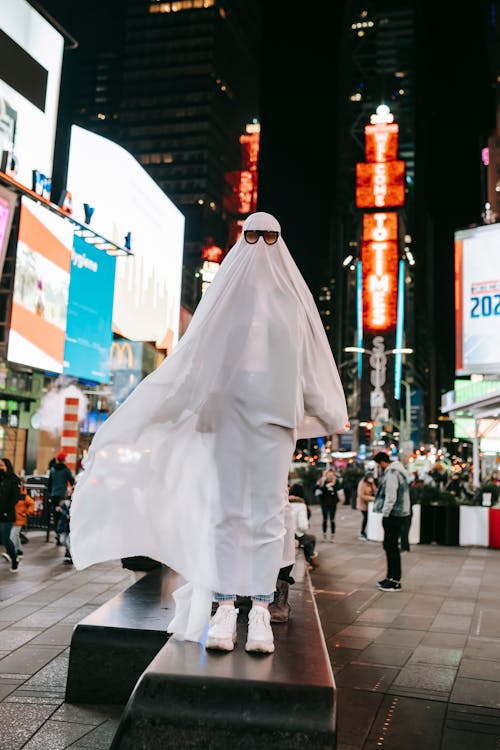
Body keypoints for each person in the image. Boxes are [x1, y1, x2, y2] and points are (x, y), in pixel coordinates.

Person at [70, 211, 349, 655]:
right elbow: (193, 360)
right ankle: (223, 605)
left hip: (275, 418)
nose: (261, 244)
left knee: (266, 513)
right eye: (253, 235)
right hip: (225, 417)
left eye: (270, 236)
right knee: (224, 512)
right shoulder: (222, 300)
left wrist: (330, 411)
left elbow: (313, 361)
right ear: (242, 238)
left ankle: (259, 608)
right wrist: (160, 412)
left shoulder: (294, 301)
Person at [372, 452, 410, 591]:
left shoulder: (392, 473)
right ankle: (390, 577)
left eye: (378, 464)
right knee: (390, 546)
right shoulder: (399, 471)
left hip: (394, 514)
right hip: (400, 514)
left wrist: (386, 513)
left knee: (391, 547)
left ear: (382, 462)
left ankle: (394, 580)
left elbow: (391, 496)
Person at [288, 483, 319, 570]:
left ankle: (310, 559)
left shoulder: (286, 503)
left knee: (307, 540)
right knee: (311, 539)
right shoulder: (301, 505)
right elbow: (303, 526)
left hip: (285, 533)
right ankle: (309, 561)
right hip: (295, 535)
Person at [47, 452, 75, 544]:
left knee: (55, 516)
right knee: (62, 515)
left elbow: (49, 483)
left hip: (53, 495)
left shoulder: (52, 469)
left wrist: (50, 494)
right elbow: (71, 481)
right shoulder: (66, 469)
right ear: (63, 460)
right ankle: (61, 535)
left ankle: (57, 534)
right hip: (62, 495)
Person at [0, 458, 22, 573]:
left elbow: (15, 498)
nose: (0, 468)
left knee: (5, 539)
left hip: (7, 515)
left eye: (2, 465)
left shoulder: (14, 480)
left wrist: (4, 510)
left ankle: (14, 558)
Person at [10, 481, 35, 557]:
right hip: (12, 518)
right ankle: (19, 550)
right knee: (15, 535)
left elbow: (32, 504)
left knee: (12, 536)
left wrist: (27, 512)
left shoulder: (24, 496)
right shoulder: (12, 494)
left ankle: (12, 552)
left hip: (20, 519)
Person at [315, 468, 340, 541]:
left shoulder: (336, 481)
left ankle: (332, 536)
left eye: (332, 474)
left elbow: (339, 488)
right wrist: (324, 485)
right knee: (325, 519)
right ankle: (324, 535)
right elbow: (318, 489)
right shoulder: (323, 481)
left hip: (333, 503)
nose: (330, 476)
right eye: (329, 474)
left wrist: (333, 487)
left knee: (332, 520)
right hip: (324, 503)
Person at [356, 472, 376, 540]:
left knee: (368, 518)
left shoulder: (371, 483)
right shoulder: (362, 483)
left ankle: (367, 531)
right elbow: (361, 495)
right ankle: (362, 532)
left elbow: (374, 490)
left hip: (369, 504)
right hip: (363, 504)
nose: (371, 479)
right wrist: (370, 498)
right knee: (366, 518)